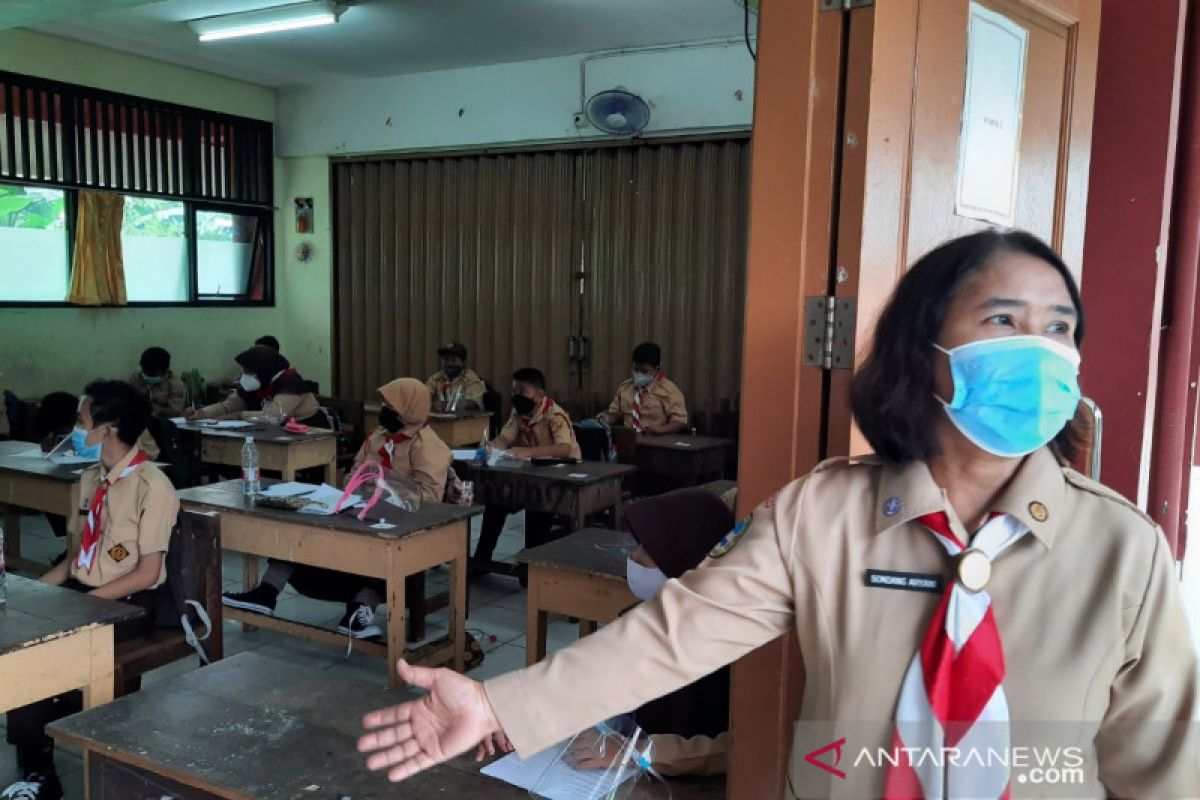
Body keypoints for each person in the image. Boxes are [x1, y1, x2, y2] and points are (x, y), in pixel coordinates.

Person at [355, 230, 1200, 797]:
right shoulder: (826, 513)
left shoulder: (1123, 549)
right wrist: (504, 707)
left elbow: (1161, 762)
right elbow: (673, 635)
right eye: (1004, 321)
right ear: (928, 349)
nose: (1040, 349)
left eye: (1059, 328)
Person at [4, 380, 178, 800]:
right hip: (86, 594)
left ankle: (42, 774)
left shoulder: (153, 487)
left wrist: (80, 605)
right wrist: (34, 595)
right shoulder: (90, 480)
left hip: (132, 603)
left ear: (109, 428)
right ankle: (38, 761)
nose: (76, 430)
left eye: (82, 421)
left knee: (44, 661)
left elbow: (147, 572)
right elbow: (74, 560)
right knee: (21, 640)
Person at [221, 378, 451, 639]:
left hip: (400, 525)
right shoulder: (378, 436)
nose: (383, 409)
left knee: (382, 549)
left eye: (391, 405)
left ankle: (359, 611)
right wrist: (359, 489)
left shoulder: (428, 447)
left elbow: (430, 500)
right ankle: (265, 594)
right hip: (360, 512)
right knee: (302, 529)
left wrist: (385, 488)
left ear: (410, 409)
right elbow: (353, 475)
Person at [568, 489, 734, 777]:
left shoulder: (736, 649)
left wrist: (638, 752)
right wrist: (596, 719)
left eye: (649, 550)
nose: (634, 557)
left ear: (688, 564)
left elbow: (735, 748)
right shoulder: (645, 619)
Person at [471, 367, 580, 577]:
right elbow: (505, 439)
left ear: (539, 395)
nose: (516, 396)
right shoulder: (518, 413)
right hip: (530, 475)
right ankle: (481, 560)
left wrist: (526, 452)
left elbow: (564, 449)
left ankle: (531, 567)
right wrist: (491, 446)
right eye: (513, 391)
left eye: (522, 391)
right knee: (495, 501)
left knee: (538, 508)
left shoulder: (555, 415)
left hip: (559, 477)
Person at [184, 345, 323, 425]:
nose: (245, 376)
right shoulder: (259, 384)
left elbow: (273, 416)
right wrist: (200, 413)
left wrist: (239, 415)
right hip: (278, 434)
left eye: (249, 371)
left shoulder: (290, 382)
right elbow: (226, 407)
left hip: (311, 431)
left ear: (264, 370)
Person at [597, 342, 688, 435]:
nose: (639, 374)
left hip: (657, 442)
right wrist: (607, 417)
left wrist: (660, 430)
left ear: (657, 370)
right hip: (628, 440)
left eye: (644, 371)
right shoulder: (625, 388)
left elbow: (680, 421)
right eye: (636, 369)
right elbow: (615, 413)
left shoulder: (668, 390)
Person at [425, 341, 485, 412]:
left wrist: (446, 404)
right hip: (440, 420)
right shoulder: (436, 377)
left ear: (463, 363)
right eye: (446, 360)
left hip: (464, 421)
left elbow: (473, 403)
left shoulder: (471, 378)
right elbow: (424, 394)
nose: (449, 364)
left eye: (454, 360)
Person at [130, 346, 189, 418]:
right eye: (145, 372)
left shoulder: (175, 384)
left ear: (165, 371)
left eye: (152, 374)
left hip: (165, 423)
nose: (147, 375)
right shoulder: (136, 378)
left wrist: (152, 407)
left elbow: (175, 412)